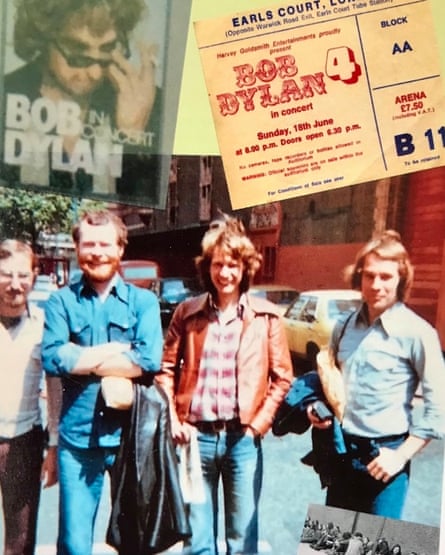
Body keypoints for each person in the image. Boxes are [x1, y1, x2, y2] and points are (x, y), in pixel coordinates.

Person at [156, 214, 293, 555]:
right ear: (208, 267)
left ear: (245, 268)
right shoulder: (187, 313)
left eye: (233, 265)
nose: (225, 273)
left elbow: (282, 378)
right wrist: (174, 419)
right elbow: (165, 370)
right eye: (218, 264)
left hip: (242, 443)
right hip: (194, 440)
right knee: (197, 541)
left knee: (241, 540)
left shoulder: (267, 317)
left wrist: (257, 427)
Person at [41, 209, 163, 555]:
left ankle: (329, 545)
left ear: (120, 249)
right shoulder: (60, 301)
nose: (97, 252)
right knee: (75, 545)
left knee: (135, 541)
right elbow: (53, 358)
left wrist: (79, 359)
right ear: (76, 248)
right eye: (89, 244)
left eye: (105, 244)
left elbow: (149, 359)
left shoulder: (143, 302)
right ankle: (328, 545)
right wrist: (114, 351)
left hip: (132, 438)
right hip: (79, 442)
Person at [309, 230, 445, 518]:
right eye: (369, 275)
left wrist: (400, 456)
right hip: (343, 454)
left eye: (386, 276)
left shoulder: (419, 333)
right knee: (330, 549)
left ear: (401, 279)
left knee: (378, 549)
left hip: (386, 461)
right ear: (359, 277)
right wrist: (316, 410)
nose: (376, 285)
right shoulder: (343, 326)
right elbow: (329, 383)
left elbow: (439, 410)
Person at [2, 0, 163, 205]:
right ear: (43, 37)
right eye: (77, 54)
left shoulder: (148, 104)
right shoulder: (6, 98)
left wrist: (133, 136)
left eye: (107, 50)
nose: (95, 73)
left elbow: (146, 222)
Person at [0, 239, 60, 555]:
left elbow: (53, 385)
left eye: (23, 275)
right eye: (6, 275)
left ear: (34, 275)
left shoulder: (44, 325)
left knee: (20, 541)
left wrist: (53, 444)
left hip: (24, 441)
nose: (14, 284)